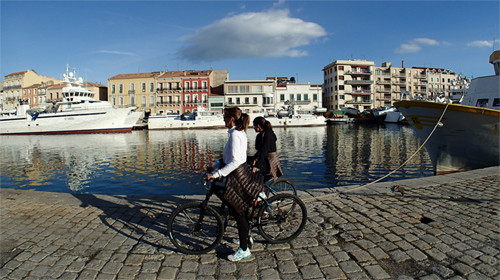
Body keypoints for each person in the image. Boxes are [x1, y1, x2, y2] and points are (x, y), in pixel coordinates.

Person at [207, 107, 263, 262]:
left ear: (231, 118)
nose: (223, 119)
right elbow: (229, 157)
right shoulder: (236, 133)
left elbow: (236, 161)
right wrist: (215, 165)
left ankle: (244, 249)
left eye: (225, 117)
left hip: (238, 178)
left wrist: (217, 174)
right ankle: (246, 239)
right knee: (240, 212)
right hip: (237, 175)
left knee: (239, 213)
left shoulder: (235, 135)